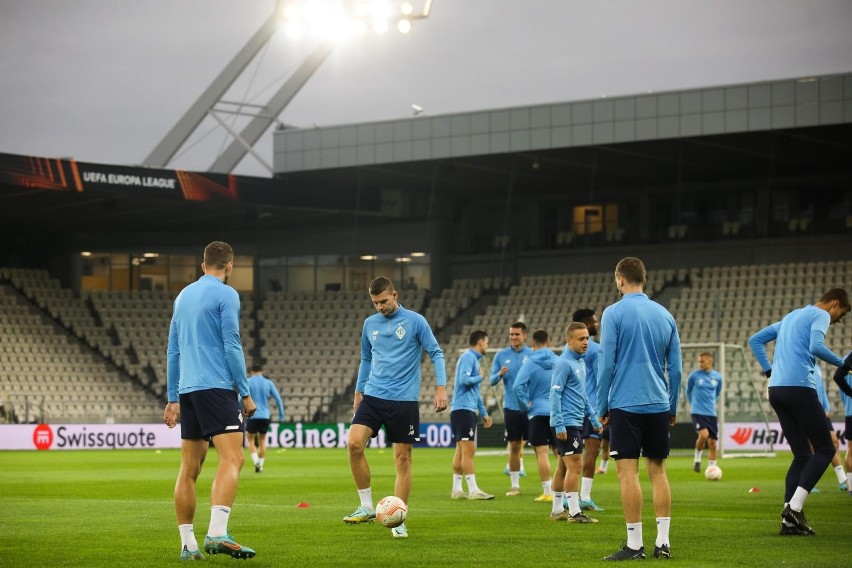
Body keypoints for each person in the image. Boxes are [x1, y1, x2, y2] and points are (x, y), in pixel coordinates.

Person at [163, 241, 257, 561]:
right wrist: (244, 391)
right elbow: (231, 343)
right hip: (216, 387)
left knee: (189, 468)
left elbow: (173, 349)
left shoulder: (183, 296)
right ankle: (217, 533)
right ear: (229, 266)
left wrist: (173, 398)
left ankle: (187, 545)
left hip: (188, 390)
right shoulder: (227, 294)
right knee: (234, 459)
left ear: (203, 265)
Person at [344, 276, 448, 539]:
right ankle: (366, 506)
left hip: (404, 400)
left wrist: (441, 387)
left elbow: (436, 353)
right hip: (374, 396)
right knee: (354, 443)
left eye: (383, 301)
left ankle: (399, 516)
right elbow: (366, 358)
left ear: (395, 295)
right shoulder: (370, 324)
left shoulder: (416, 321)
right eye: (375, 302)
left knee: (403, 459)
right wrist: (359, 392)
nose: (379, 307)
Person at [597, 257, 682, 561]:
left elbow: (606, 364)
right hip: (658, 403)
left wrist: (601, 404)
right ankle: (663, 543)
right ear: (644, 279)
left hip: (625, 403)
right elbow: (676, 368)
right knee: (658, 471)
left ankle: (635, 545)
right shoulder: (665, 315)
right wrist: (672, 406)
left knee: (628, 474)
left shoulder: (613, 312)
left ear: (619, 279)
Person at [748, 288, 850, 536]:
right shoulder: (821, 315)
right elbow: (816, 346)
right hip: (799, 388)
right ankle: (794, 508)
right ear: (834, 304)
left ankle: (788, 523)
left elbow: (755, 340)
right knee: (826, 448)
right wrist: (844, 364)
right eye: (841, 315)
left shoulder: (791, 316)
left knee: (801, 455)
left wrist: (768, 370)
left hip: (776, 390)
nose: (837, 321)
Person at [549, 322, 602, 523]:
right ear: (569, 340)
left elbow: (584, 396)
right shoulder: (563, 363)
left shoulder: (580, 363)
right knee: (575, 466)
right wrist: (559, 424)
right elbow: (554, 394)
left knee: (563, 467)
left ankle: (556, 510)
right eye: (581, 339)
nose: (586, 342)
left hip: (576, 420)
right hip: (567, 421)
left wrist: (593, 418)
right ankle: (574, 512)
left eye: (587, 338)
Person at [513, 329, 559, 499]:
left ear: (533, 344)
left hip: (537, 411)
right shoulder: (558, 360)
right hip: (556, 412)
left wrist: (525, 405)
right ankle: (562, 490)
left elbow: (517, 386)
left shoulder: (530, 362)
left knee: (542, 452)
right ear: (549, 342)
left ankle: (548, 492)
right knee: (560, 452)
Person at [450, 330, 495, 500]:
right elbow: (464, 380)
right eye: (487, 342)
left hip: (462, 409)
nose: (487, 346)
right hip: (463, 409)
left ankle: (456, 489)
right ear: (481, 342)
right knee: (468, 450)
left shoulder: (472, 360)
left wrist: (483, 413)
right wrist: (479, 378)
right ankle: (473, 490)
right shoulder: (469, 358)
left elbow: (475, 393)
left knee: (461, 451)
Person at [490, 322, 533, 494]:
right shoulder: (501, 355)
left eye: (517, 334)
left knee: (540, 447)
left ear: (525, 336)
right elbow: (492, 381)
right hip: (511, 408)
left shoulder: (532, 355)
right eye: (511, 334)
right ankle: (515, 485)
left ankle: (548, 488)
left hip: (531, 408)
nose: (513, 337)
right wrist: (499, 374)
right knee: (514, 445)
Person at [573, 308, 606, 511]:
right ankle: (584, 496)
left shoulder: (568, 350)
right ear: (585, 324)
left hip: (573, 409)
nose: (597, 324)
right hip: (591, 408)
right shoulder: (595, 349)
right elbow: (601, 381)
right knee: (591, 453)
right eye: (593, 321)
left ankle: (566, 497)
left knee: (568, 456)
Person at [686, 352, 723, 473]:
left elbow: (717, 393)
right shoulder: (694, 376)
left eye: (702, 361)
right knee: (703, 435)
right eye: (699, 361)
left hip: (711, 413)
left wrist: (710, 404)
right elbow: (688, 391)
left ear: (709, 361)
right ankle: (697, 459)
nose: (700, 364)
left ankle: (712, 468)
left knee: (713, 443)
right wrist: (693, 405)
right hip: (697, 412)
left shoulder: (717, 377)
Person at [246, 364, 285, 473]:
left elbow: (240, 397)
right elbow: (278, 399)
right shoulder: (268, 383)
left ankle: (256, 462)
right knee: (262, 441)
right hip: (265, 415)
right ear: (262, 371)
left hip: (252, 415)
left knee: (250, 440)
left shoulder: (248, 382)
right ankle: (261, 465)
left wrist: (240, 409)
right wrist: (281, 414)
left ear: (251, 372)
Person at [814, 365, 848, 491]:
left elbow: (821, 389)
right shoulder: (801, 363)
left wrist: (826, 407)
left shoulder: (816, 366)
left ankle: (842, 480)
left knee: (834, 442)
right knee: (810, 447)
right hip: (809, 410)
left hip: (821, 411)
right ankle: (808, 483)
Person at [834, 341, 852, 495]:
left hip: (849, 412)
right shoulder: (847, 361)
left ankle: (851, 487)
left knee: (851, 450)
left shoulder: (844, 360)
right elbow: (837, 377)